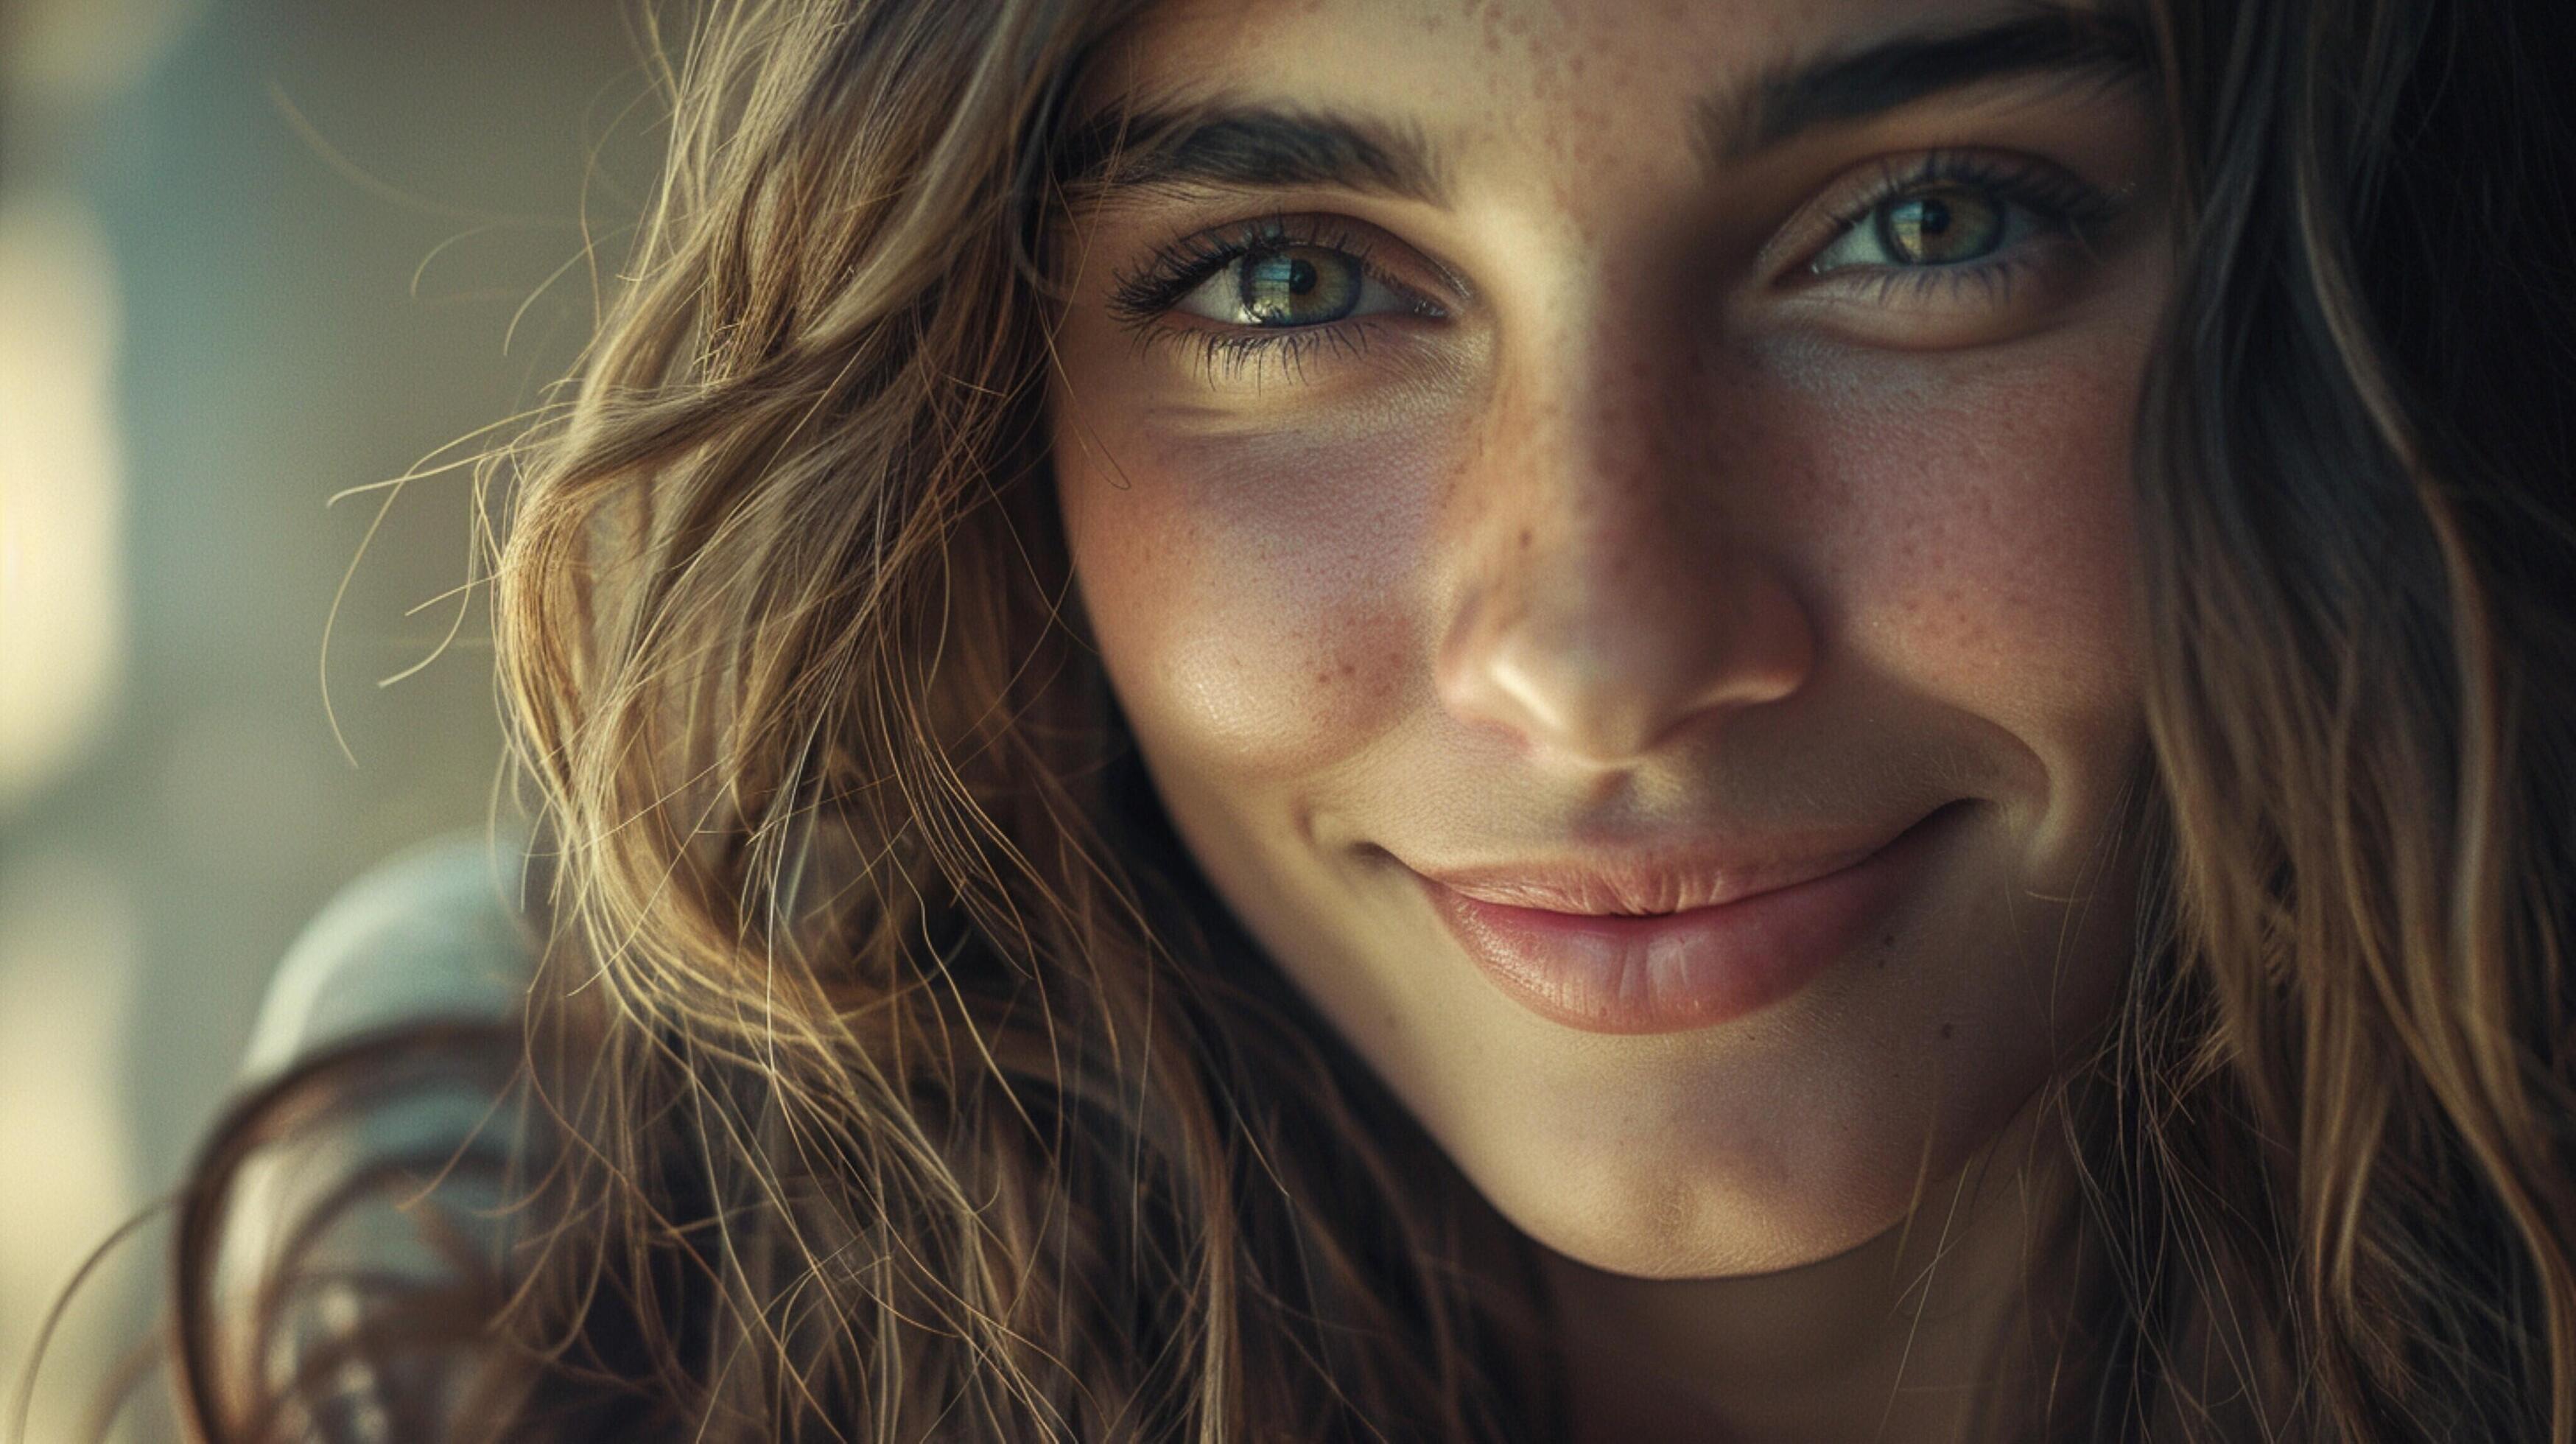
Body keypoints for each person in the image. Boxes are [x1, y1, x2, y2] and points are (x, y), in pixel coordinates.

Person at [162, 0, 2576, 1439]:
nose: (1600, 651)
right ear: (980, 421)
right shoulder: (554, 1257)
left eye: (1926, 225)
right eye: (1291, 278)